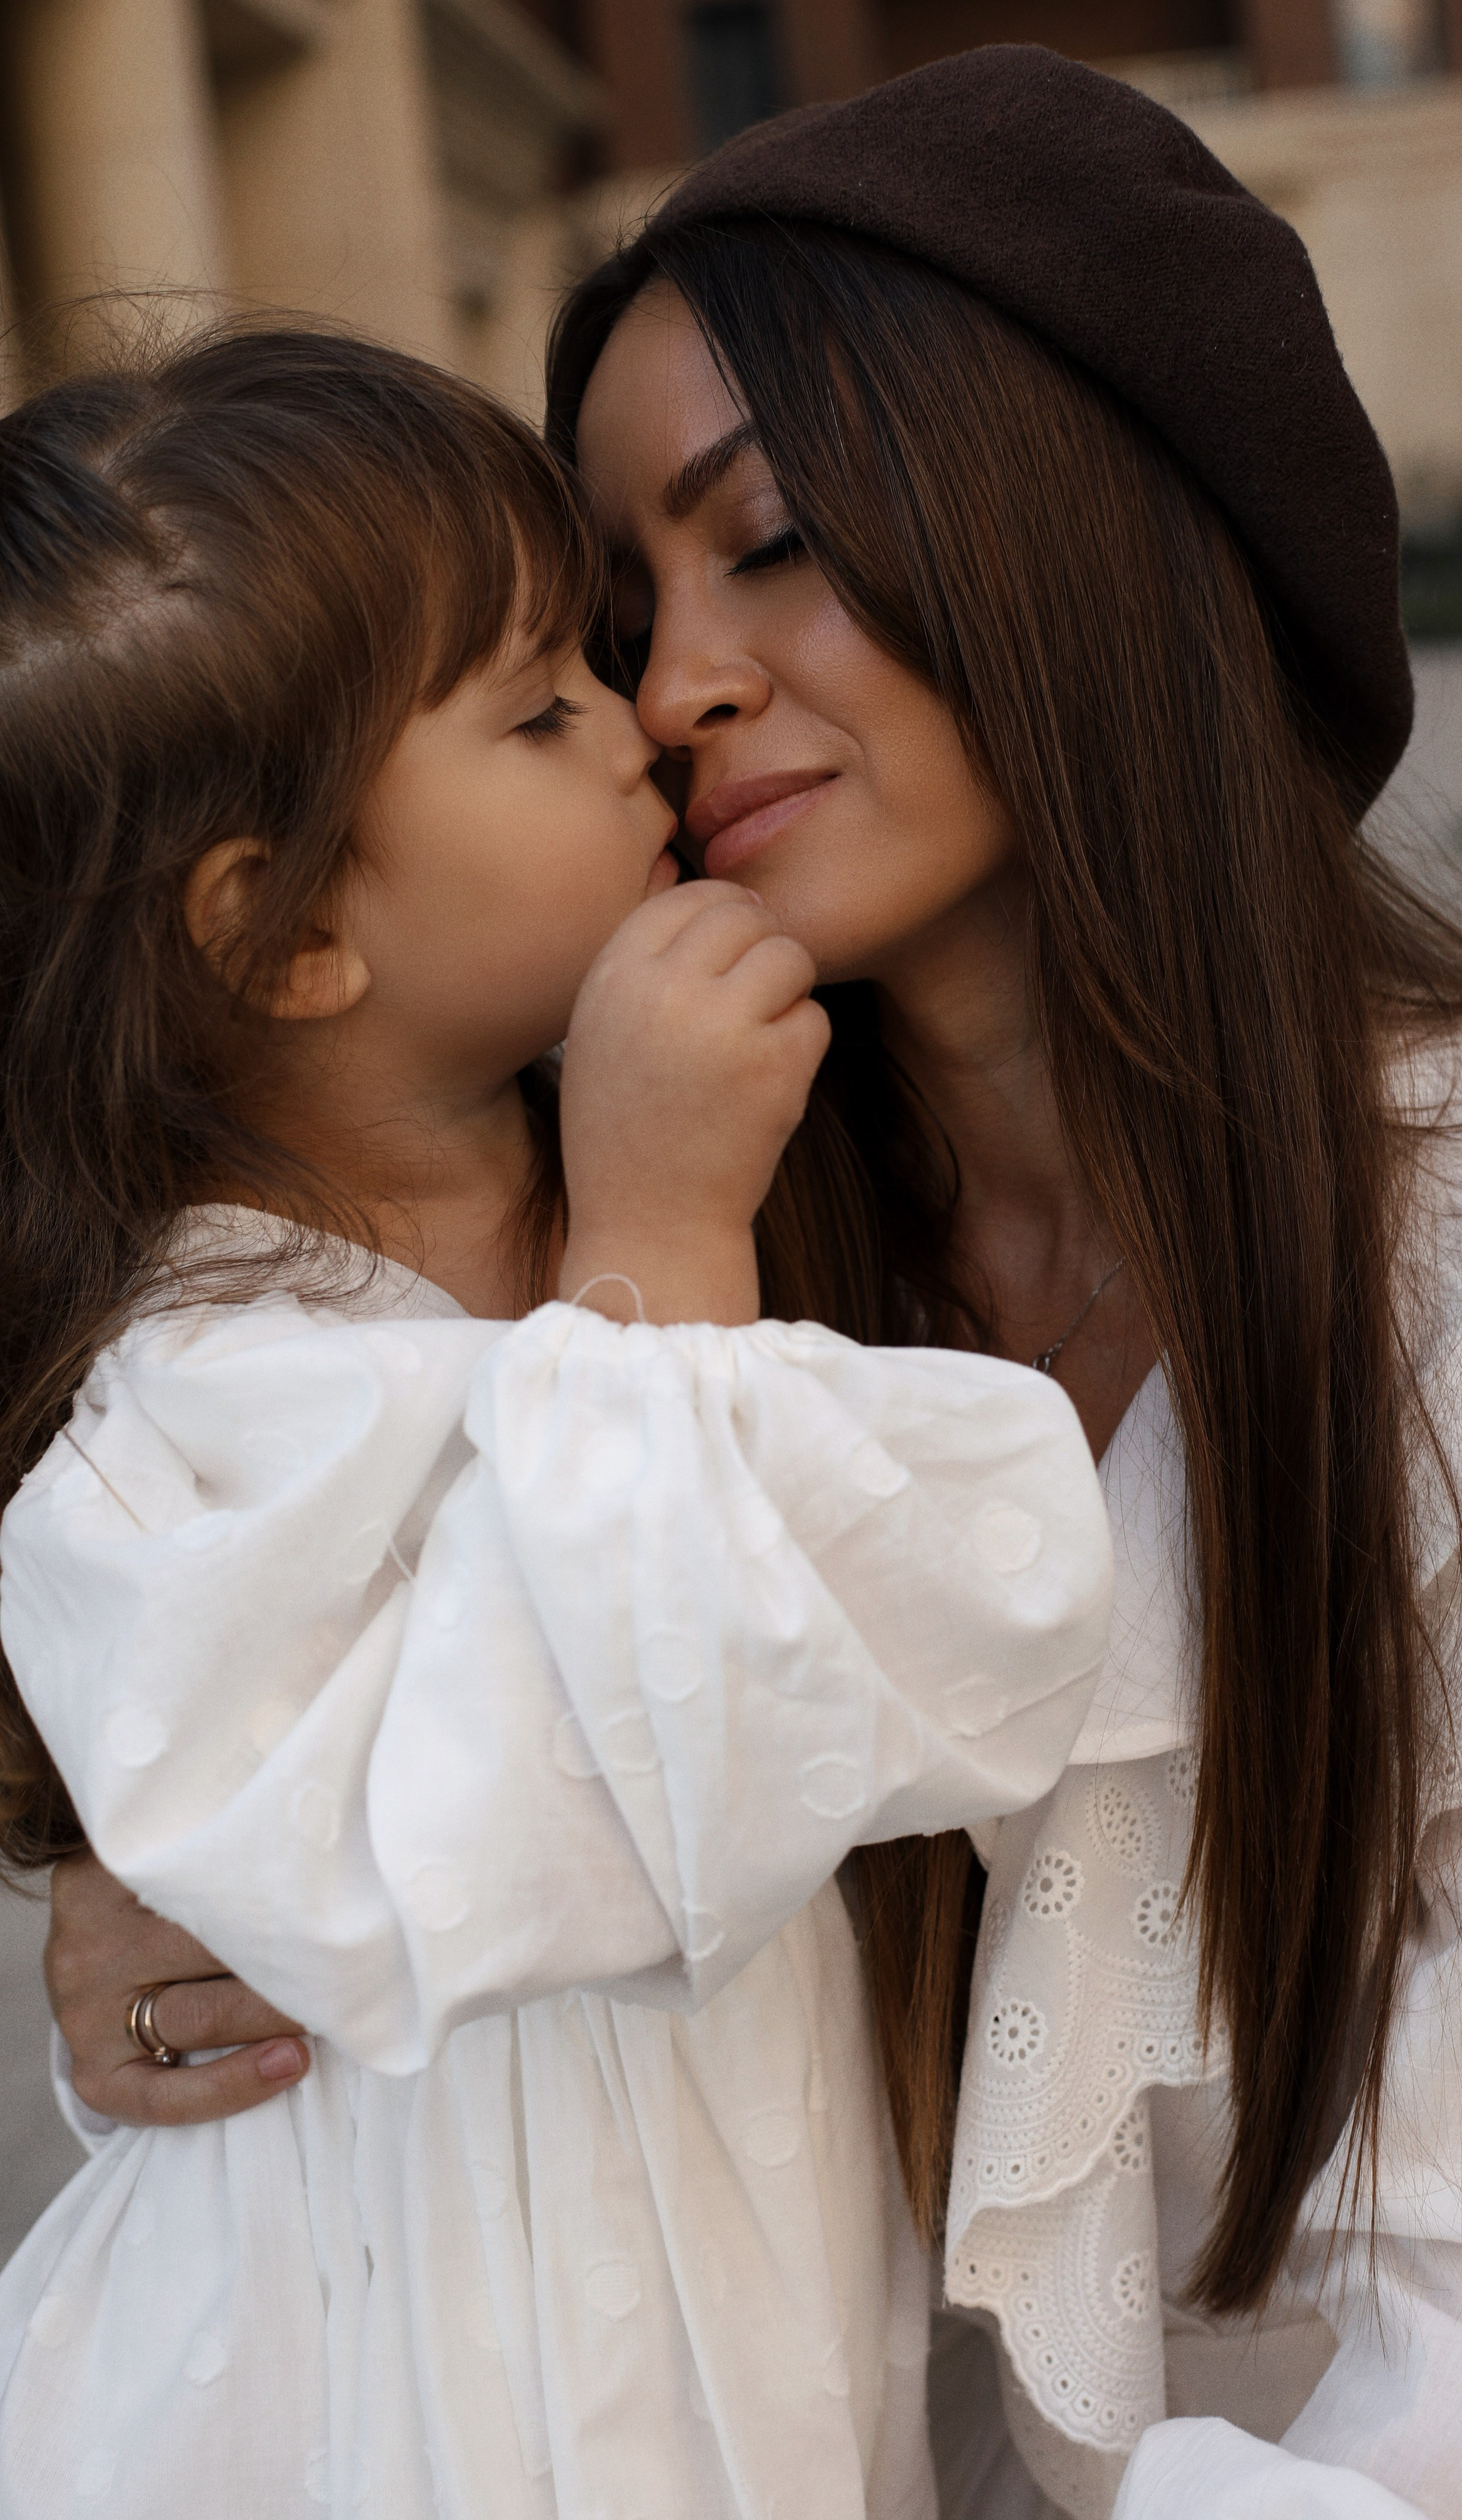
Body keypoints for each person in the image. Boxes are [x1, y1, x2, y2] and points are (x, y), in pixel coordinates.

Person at [42, 47, 1462, 2520]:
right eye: (601, 629)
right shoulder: (664, 1254)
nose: (669, 691)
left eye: (774, 537)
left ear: (1085, 528)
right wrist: (209, 1889)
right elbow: (373, 1708)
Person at [0, 322, 1118, 2518]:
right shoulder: (196, 1408)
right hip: (395, 2418)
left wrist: (654, 1227)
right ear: (296, 925)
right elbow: (599, 1819)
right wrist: (655, 1261)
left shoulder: (759, 1134)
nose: (644, 724)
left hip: (756, 2361)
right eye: (542, 704)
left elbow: (981, 1636)